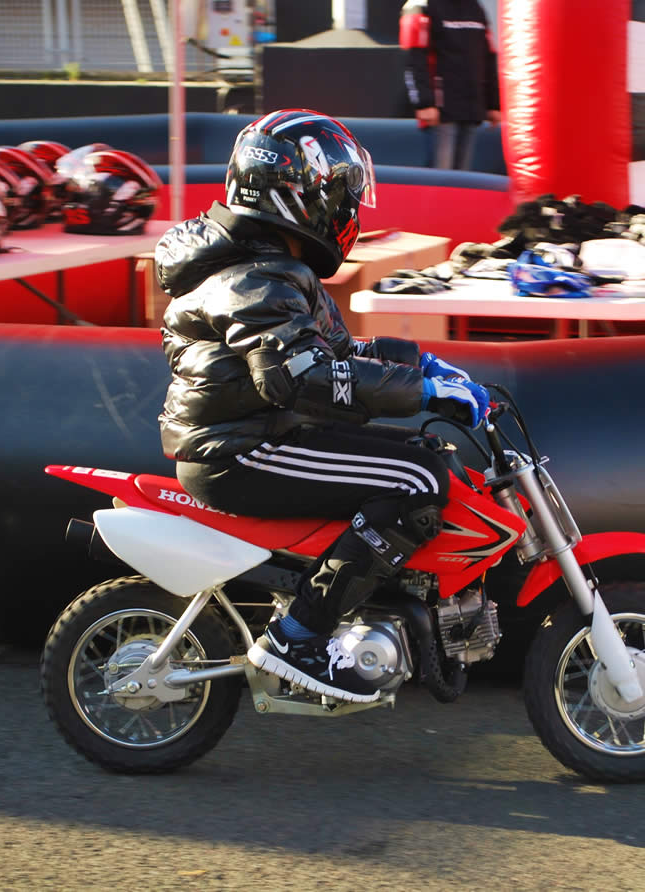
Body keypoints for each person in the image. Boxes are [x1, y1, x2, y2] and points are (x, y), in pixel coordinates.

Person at [154, 109, 490, 704]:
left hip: (264, 434)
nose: (347, 213)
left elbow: (333, 352)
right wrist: (423, 392)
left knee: (422, 454)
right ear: (294, 194)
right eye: (339, 197)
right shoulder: (252, 276)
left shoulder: (270, 267)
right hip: (241, 449)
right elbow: (303, 377)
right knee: (416, 479)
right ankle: (297, 636)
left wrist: (421, 366)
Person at [400, 0, 501, 170]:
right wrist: (424, 102)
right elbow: (414, 56)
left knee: (461, 179)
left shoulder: (474, 7)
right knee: (440, 176)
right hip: (440, 112)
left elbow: (488, 56)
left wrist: (493, 103)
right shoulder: (419, 5)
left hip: (471, 109)